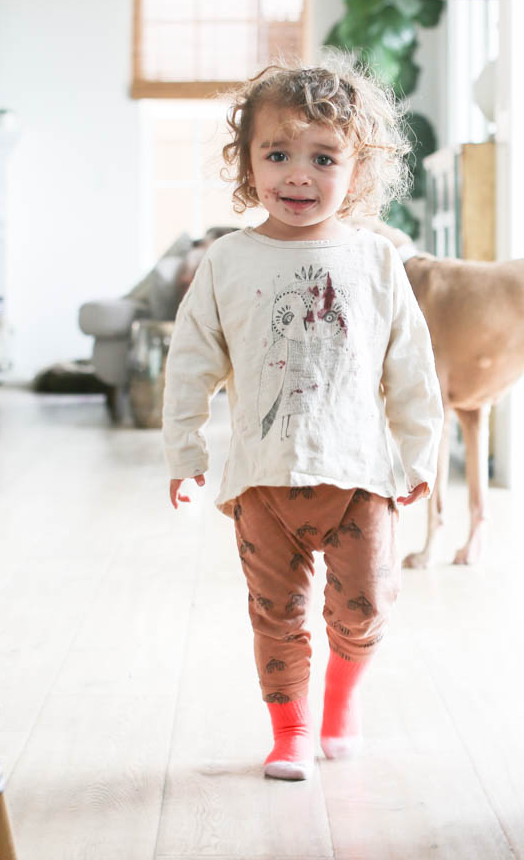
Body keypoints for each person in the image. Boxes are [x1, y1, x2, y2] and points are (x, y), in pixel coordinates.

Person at [162, 54, 443, 781]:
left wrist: (419, 455)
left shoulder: (377, 261)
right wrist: (185, 452)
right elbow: (191, 360)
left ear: (359, 170)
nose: (297, 174)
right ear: (248, 161)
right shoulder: (228, 261)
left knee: (365, 606)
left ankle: (339, 707)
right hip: (262, 479)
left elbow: (411, 368)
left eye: (323, 158)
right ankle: (289, 732)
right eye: (277, 153)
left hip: (358, 474)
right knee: (276, 614)